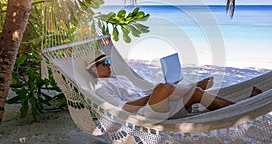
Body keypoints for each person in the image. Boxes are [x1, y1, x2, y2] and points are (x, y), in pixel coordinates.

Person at [87, 54, 262, 120]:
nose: (109, 65)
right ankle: (185, 87)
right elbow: (123, 107)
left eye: (108, 61)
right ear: (94, 70)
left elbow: (142, 93)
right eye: (104, 63)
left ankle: (242, 107)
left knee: (197, 93)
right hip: (139, 114)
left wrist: (162, 93)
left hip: (155, 104)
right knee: (163, 87)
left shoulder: (121, 78)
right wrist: (161, 92)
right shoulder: (100, 87)